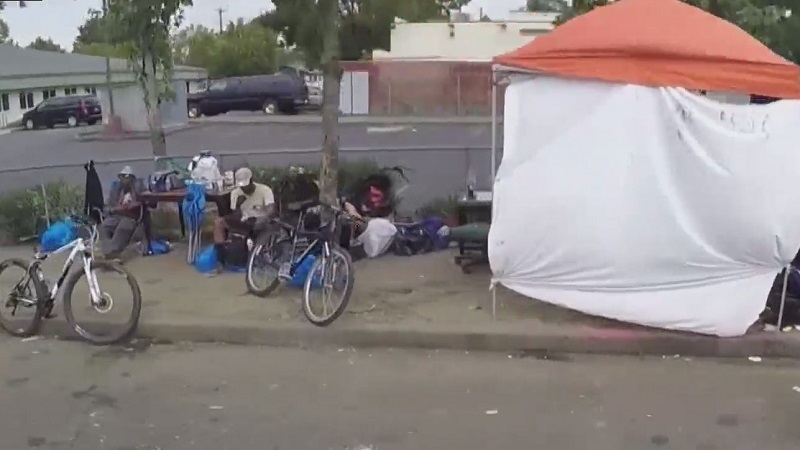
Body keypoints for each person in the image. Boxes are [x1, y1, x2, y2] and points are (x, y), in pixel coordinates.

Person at [213, 167, 276, 258]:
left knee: (267, 226)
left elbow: (271, 211)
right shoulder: (236, 193)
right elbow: (235, 215)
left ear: (251, 181)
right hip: (244, 221)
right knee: (219, 222)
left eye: (246, 186)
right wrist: (238, 205)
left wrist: (262, 217)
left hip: (260, 220)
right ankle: (220, 256)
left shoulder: (264, 190)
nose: (244, 189)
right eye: (242, 187)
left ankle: (259, 254)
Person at [101, 166, 142, 260]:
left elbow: (141, 203)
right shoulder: (117, 189)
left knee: (123, 227)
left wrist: (129, 206)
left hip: (131, 216)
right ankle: (106, 251)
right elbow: (110, 205)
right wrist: (114, 209)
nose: (124, 180)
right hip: (117, 215)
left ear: (132, 179)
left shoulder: (137, 188)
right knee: (105, 226)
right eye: (122, 177)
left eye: (127, 178)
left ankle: (114, 253)